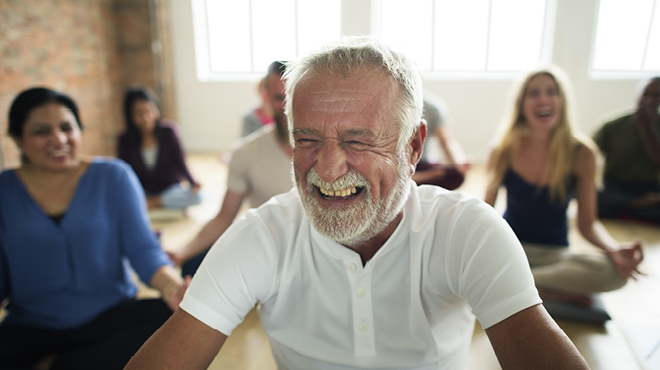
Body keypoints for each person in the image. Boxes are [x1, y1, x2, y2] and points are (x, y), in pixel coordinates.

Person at [127, 37, 590, 370]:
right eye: (306, 139)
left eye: (357, 141)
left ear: (413, 148)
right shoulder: (262, 236)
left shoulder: (466, 232)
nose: (326, 169)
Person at [0, 87, 189, 370]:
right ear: (17, 138)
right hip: (32, 326)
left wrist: (173, 288)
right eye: (42, 131)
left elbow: (145, 251)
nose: (59, 140)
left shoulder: (114, 176)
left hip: (110, 317)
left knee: (177, 323)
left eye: (67, 128)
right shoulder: (4, 191)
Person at [484, 67, 644, 320]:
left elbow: (588, 223)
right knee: (474, 265)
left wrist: (613, 249)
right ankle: (543, 289)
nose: (544, 99)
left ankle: (517, 285)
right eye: (533, 93)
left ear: (561, 102)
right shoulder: (502, 149)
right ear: (522, 105)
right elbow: (485, 213)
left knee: (615, 274)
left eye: (552, 92)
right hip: (511, 249)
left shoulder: (582, 153)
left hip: (555, 256)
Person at [168, 61, 293, 277]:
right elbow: (225, 217)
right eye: (278, 98)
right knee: (192, 268)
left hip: (316, 249)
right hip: (267, 247)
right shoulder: (245, 153)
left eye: (292, 97)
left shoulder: (328, 150)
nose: (286, 107)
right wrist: (182, 252)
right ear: (265, 97)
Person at [117, 86, 202, 210]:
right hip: (143, 191)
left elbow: (180, 161)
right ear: (129, 115)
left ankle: (155, 203)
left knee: (198, 197)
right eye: (139, 113)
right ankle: (155, 203)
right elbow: (124, 173)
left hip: (170, 189)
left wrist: (192, 182)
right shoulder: (124, 139)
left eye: (150, 110)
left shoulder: (169, 131)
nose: (147, 117)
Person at [593, 76, 660, 225]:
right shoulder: (612, 125)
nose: (650, 100)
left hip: (650, 189)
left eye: (656, 95)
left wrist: (647, 128)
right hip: (615, 186)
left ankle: (627, 209)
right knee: (593, 196)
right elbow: (588, 154)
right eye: (646, 94)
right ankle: (637, 205)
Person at [412, 93, 472, 190]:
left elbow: (447, 140)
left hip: (421, 163)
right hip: (394, 164)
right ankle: (421, 178)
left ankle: (412, 180)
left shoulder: (432, 106)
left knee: (456, 175)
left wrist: (459, 161)